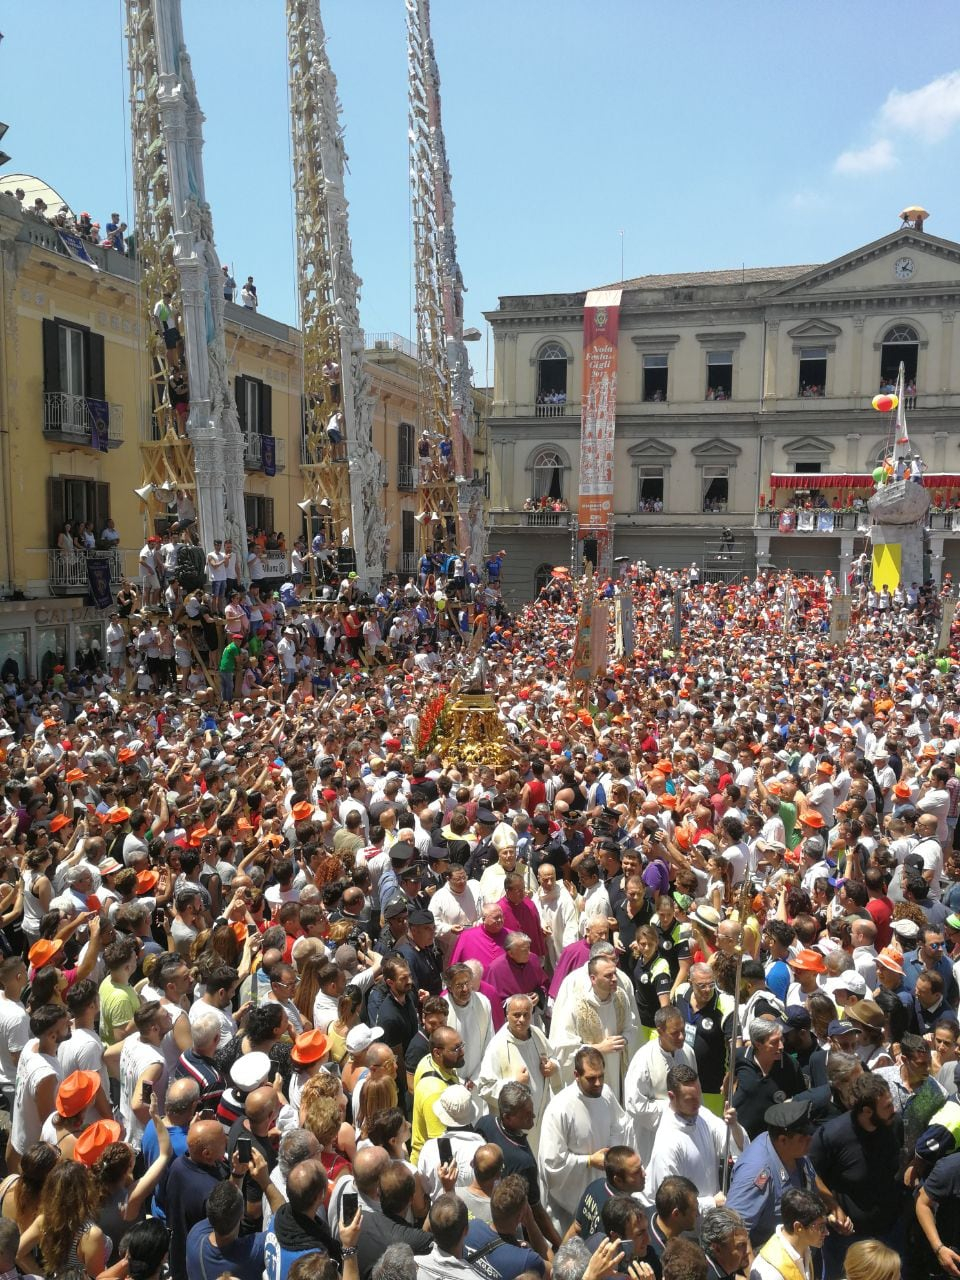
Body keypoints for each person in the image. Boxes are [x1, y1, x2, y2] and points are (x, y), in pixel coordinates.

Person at [808, 1074, 902, 1277]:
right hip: (847, 1239)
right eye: (887, 1106)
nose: (893, 1110)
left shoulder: (893, 1125)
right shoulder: (831, 1136)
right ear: (867, 1111)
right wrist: (833, 1207)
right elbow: (810, 1173)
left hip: (889, 1230)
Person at [538, 1047, 635, 1228]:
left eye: (601, 1076)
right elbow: (552, 1163)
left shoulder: (606, 1094)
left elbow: (620, 1127)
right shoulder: (560, 1108)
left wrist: (611, 1153)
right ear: (576, 1075)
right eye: (591, 1078)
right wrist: (589, 1161)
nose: (598, 1083)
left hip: (604, 1190)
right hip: (569, 1204)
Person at [646, 1065, 745, 1215]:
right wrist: (712, 1203)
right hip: (687, 1222)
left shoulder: (702, 1115)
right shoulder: (667, 1143)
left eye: (698, 1095)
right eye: (690, 1099)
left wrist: (733, 1125)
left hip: (711, 1218)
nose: (697, 1103)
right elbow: (669, 1201)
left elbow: (735, 1145)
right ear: (672, 1096)